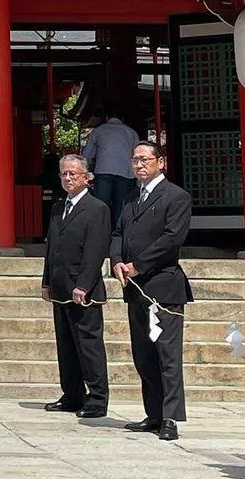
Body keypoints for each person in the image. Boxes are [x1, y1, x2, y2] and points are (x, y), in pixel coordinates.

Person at [111, 141, 193, 441]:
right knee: (143, 353)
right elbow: (118, 232)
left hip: (163, 286)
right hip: (134, 288)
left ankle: (171, 417)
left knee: (167, 355)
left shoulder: (176, 197)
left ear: (161, 162)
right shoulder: (131, 197)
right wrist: (118, 261)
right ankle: (154, 412)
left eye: (145, 159)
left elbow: (172, 238)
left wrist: (137, 265)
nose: (139, 165)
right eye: (134, 160)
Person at [41, 153, 111, 418]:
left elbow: (95, 251)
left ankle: (97, 397)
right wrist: (46, 281)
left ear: (87, 177)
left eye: (74, 173)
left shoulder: (97, 208)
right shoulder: (59, 208)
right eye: (65, 174)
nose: (69, 178)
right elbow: (52, 248)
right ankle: (72, 394)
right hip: (60, 287)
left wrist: (84, 284)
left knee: (88, 345)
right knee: (66, 346)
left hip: (84, 290)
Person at [83, 102, 140, 227]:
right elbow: (139, 156)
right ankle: (118, 234)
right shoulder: (131, 133)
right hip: (125, 173)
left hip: (103, 171)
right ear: (122, 118)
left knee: (101, 206)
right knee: (121, 206)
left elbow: (87, 155)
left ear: (107, 117)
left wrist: (86, 173)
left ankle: (100, 232)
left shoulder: (98, 131)